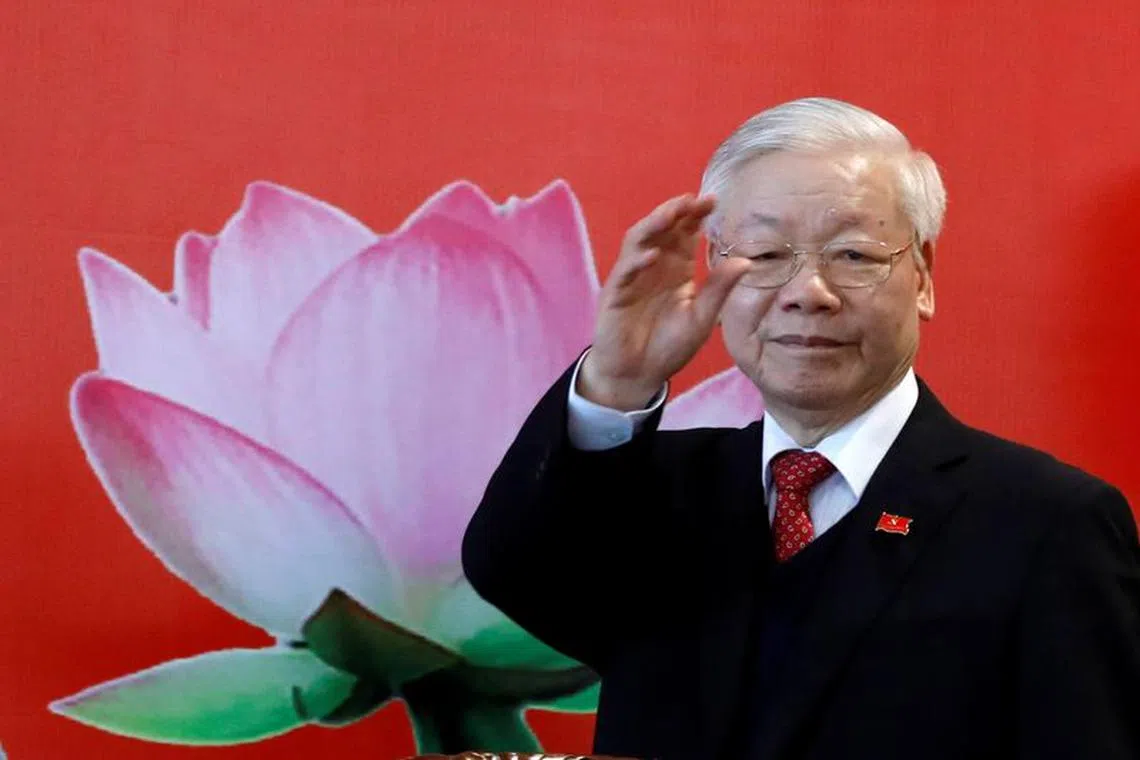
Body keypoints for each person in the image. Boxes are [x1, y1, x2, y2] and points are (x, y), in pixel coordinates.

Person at [460, 97, 1140, 760]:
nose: (808, 291)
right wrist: (617, 383)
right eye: (765, 255)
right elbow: (511, 570)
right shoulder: (652, 493)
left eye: (853, 255)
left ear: (923, 276)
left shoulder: (1047, 522)